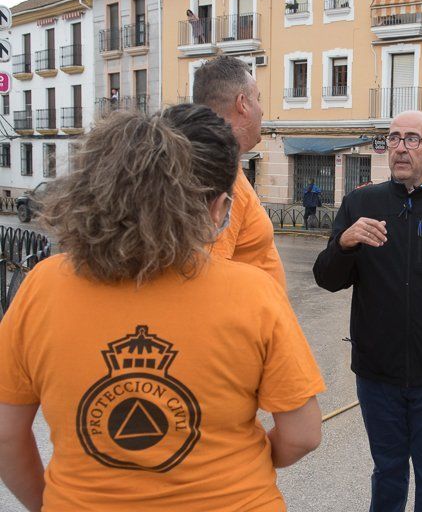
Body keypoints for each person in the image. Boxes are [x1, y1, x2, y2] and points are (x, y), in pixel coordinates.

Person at [0, 107, 325, 512]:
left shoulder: (42, 286)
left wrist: (51, 504)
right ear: (217, 207)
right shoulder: (252, 292)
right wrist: (243, 460)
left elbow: (7, 435)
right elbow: (303, 434)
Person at [313, 110, 422, 512]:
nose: (399, 147)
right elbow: (327, 278)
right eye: (394, 138)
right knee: (388, 471)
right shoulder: (361, 203)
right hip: (379, 376)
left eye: (412, 139)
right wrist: (344, 243)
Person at [193, 56, 287, 290]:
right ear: (242, 103)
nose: (262, 110)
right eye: (258, 99)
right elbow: (209, 277)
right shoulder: (216, 175)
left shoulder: (225, 165)